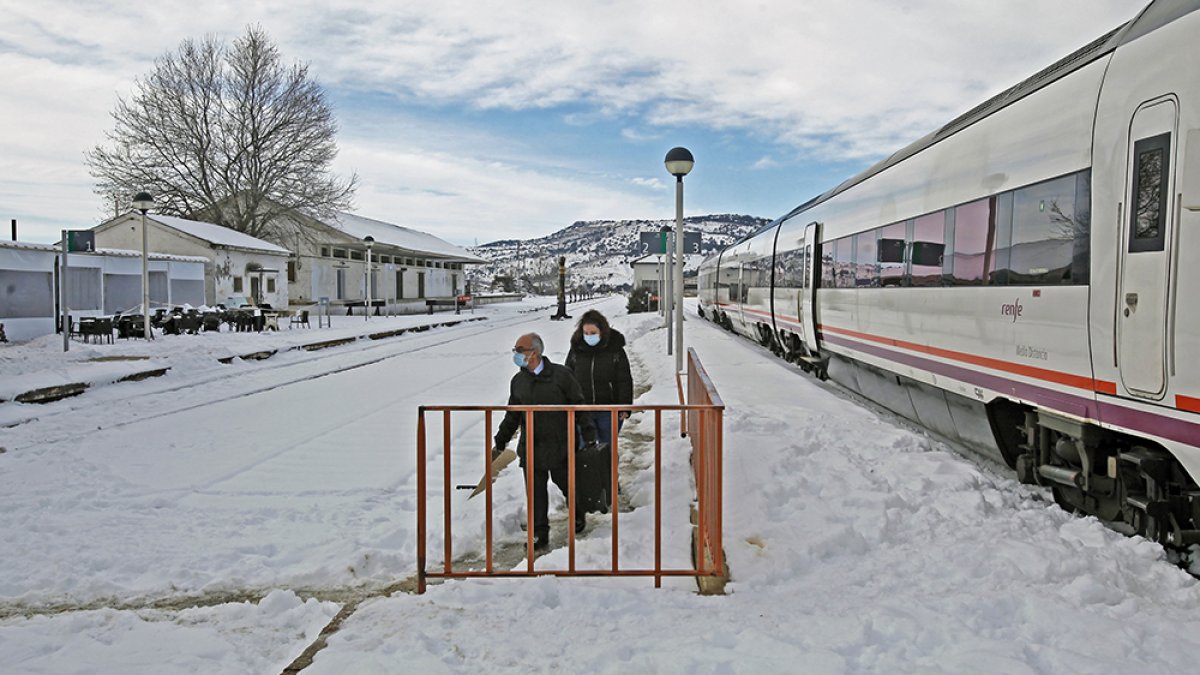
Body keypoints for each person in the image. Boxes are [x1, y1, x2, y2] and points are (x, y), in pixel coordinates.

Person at [494, 332, 599, 551]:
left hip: (560, 446)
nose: (516, 354)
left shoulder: (562, 376)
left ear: (535, 352)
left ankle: (577, 512)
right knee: (535, 496)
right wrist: (501, 440)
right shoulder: (519, 381)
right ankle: (539, 535)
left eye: (520, 350)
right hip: (531, 448)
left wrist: (589, 435)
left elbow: (578, 406)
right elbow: (513, 414)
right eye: (515, 350)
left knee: (567, 485)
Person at [565, 309, 634, 447]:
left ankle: (609, 469)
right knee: (583, 449)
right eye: (586, 333)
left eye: (593, 333)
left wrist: (624, 406)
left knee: (607, 449)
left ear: (602, 331)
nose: (589, 336)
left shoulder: (615, 350)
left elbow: (624, 379)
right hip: (582, 410)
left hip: (608, 410)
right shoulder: (576, 350)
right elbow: (568, 378)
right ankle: (585, 470)